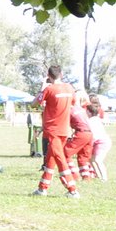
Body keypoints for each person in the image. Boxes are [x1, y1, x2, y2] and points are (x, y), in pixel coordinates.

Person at [32, 66, 79, 198]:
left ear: (48, 75)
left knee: (60, 159)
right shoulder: (70, 88)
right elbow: (74, 103)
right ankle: (42, 189)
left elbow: (34, 104)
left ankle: (73, 190)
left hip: (53, 130)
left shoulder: (49, 89)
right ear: (61, 74)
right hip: (65, 129)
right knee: (50, 159)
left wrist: (42, 86)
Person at [84, 96, 111, 181]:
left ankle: (104, 178)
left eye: (86, 111)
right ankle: (98, 176)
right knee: (92, 160)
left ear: (89, 112)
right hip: (99, 142)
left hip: (102, 143)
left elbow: (94, 135)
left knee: (98, 160)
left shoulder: (92, 121)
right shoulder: (95, 119)